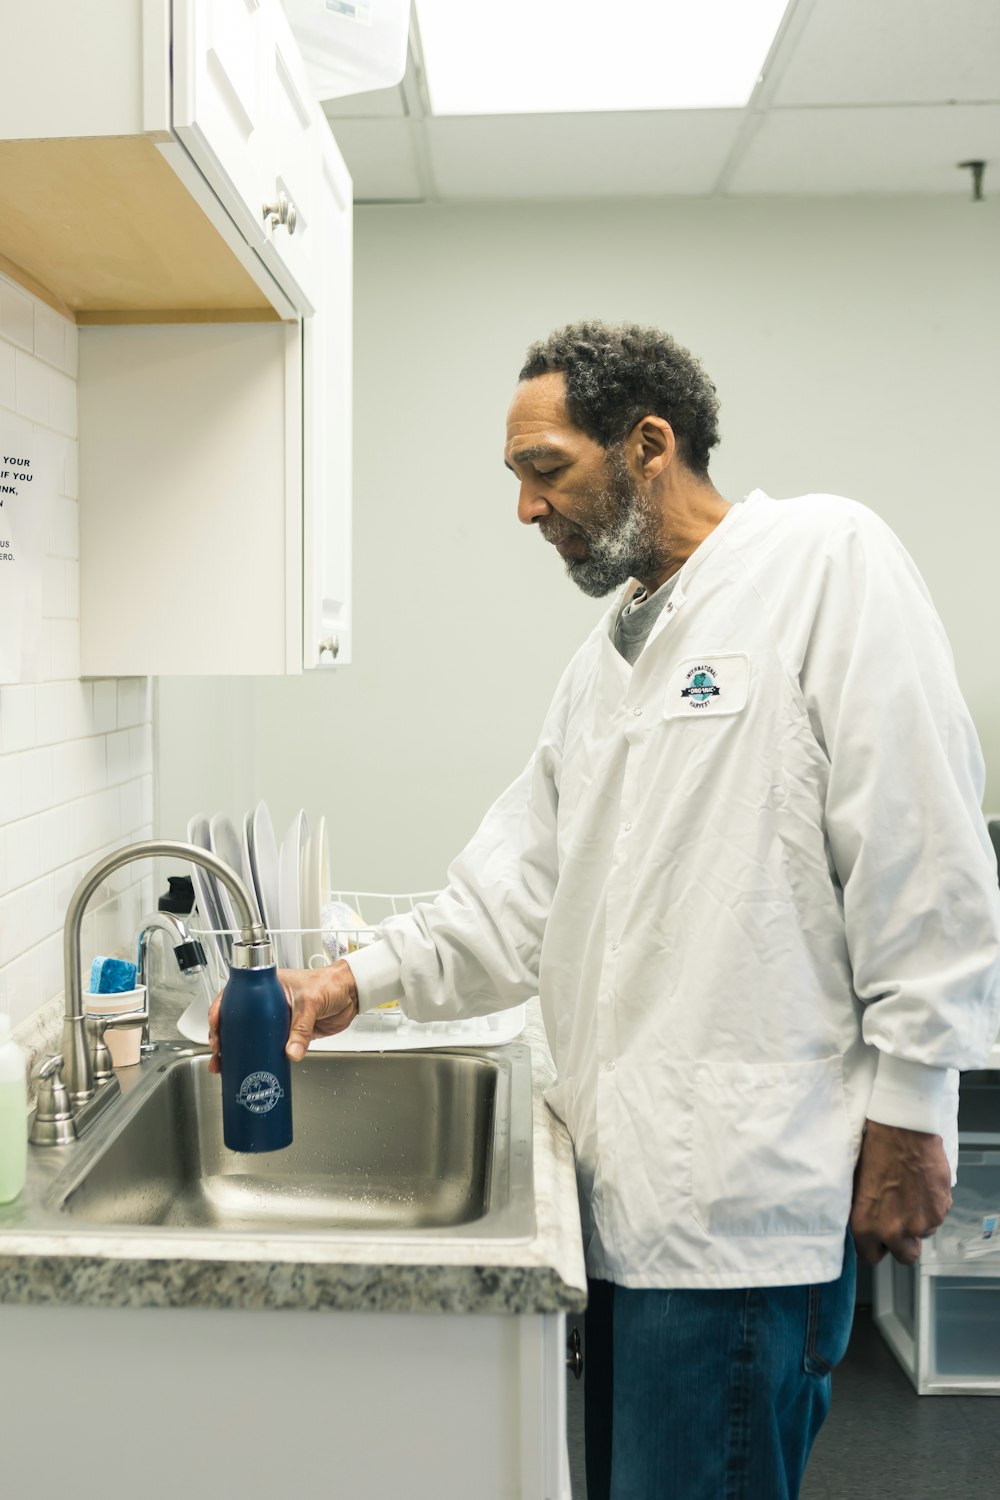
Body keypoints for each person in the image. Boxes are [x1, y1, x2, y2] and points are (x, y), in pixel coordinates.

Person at [210, 322, 1000, 1499]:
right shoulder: (608, 660)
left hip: (742, 1206)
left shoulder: (823, 562)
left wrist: (915, 1104)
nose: (528, 511)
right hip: (623, 1203)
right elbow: (510, 899)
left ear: (648, 444)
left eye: (546, 471)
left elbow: (923, 851)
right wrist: (345, 980)